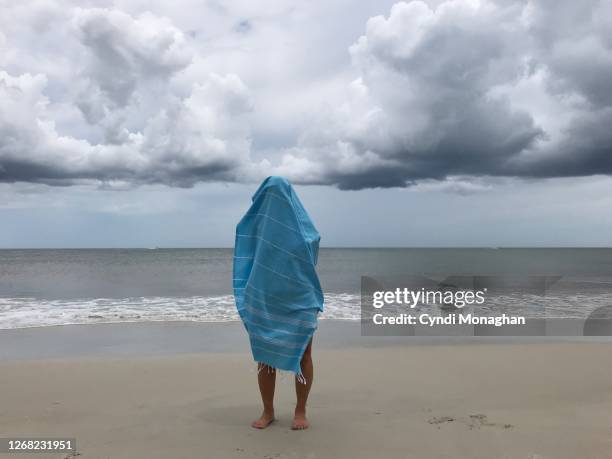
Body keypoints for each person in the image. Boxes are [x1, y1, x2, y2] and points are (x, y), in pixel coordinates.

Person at [233, 176, 324, 430]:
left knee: (305, 352)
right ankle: (268, 411)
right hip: (264, 296)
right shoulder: (257, 224)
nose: (274, 199)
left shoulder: (303, 226)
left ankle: (300, 410)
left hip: (299, 297)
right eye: (270, 194)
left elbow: (313, 242)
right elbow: (246, 246)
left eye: (278, 194)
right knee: (264, 355)